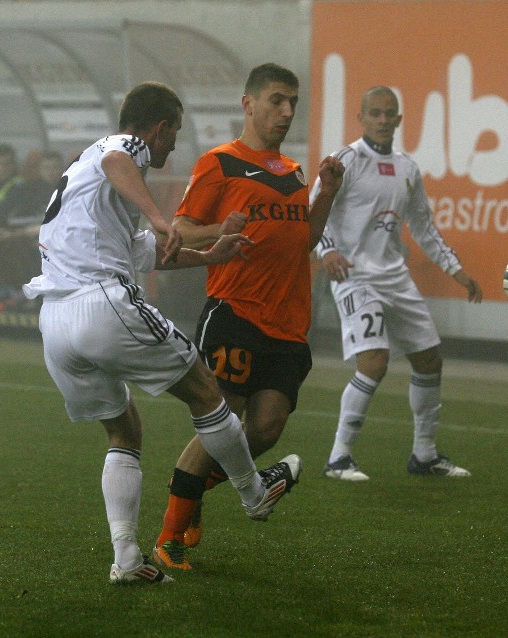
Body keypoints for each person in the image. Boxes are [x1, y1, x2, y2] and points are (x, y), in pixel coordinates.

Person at [21, 81, 301, 586]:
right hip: (101, 303)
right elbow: (119, 161)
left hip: (55, 321)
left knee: (124, 430)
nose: (174, 143)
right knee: (206, 389)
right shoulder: (121, 148)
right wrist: (160, 215)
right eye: (174, 131)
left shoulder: (86, 183)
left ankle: (127, 559)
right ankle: (254, 493)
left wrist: (208, 254)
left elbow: (144, 250)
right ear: (158, 127)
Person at [151, 63, 344, 570]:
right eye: (277, 101)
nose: (285, 112)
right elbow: (179, 232)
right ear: (249, 104)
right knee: (223, 424)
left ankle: (189, 496)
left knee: (267, 428)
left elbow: (302, 241)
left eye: (292, 104)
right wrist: (221, 228)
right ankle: (169, 538)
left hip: (288, 323)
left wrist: (326, 193)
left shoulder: (293, 172)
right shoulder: (220, 163)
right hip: (235, 311)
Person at [314, 86, 482, 482]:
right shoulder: (346, 160)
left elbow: (424, 227)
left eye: (390, 114)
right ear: (362, 117)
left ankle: (424, 456)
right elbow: (313, 210)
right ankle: (339, 457)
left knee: (429, 359)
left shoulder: (407, 168)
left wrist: (456, 270)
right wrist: (327, 252)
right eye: (375, 113)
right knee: (374, 362)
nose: (383, 120)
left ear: (400, 119)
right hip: (354, 275)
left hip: (394, 275)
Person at [19, 149, 66, 224]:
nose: (51, 171)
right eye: (46, 168)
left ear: (62, 169)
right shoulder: (30, 191)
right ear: (40, 169)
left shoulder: (69, 189)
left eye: (55, 167)